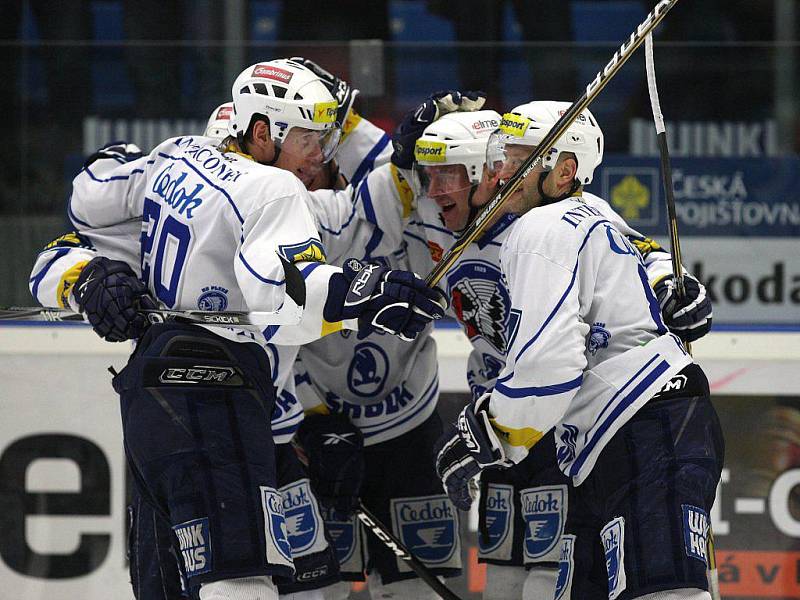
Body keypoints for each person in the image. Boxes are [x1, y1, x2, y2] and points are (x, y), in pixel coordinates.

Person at [29, 58, 445, 600]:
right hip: (215, 399)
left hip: (165, 400)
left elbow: (82, 207)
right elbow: (285, 297)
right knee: (243, 581)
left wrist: (83, 277)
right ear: (260, 132)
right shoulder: (274, 192)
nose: (320, 154)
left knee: (194, 586)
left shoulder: (176, 161)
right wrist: (370, 294)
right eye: (308, 139)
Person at [434, 101, 723, 600]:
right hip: (622, 435)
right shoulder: (592, 213)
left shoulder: (538, 229)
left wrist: (488, 433)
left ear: (564, 171)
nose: (503, 172)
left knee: (667, 592)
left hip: (644, 424)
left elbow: (549, 363)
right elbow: (647, 257)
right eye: (503, 156)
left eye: (521, 158)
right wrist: (673, 284)